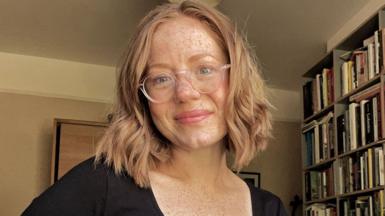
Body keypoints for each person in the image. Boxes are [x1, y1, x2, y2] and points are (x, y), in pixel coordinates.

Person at [22, 1, 287, 215]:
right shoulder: (99, 185)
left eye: (204, 69)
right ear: (142, 99)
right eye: (161, 78)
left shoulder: (269, 208)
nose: (184, 93)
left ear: (238, 80)